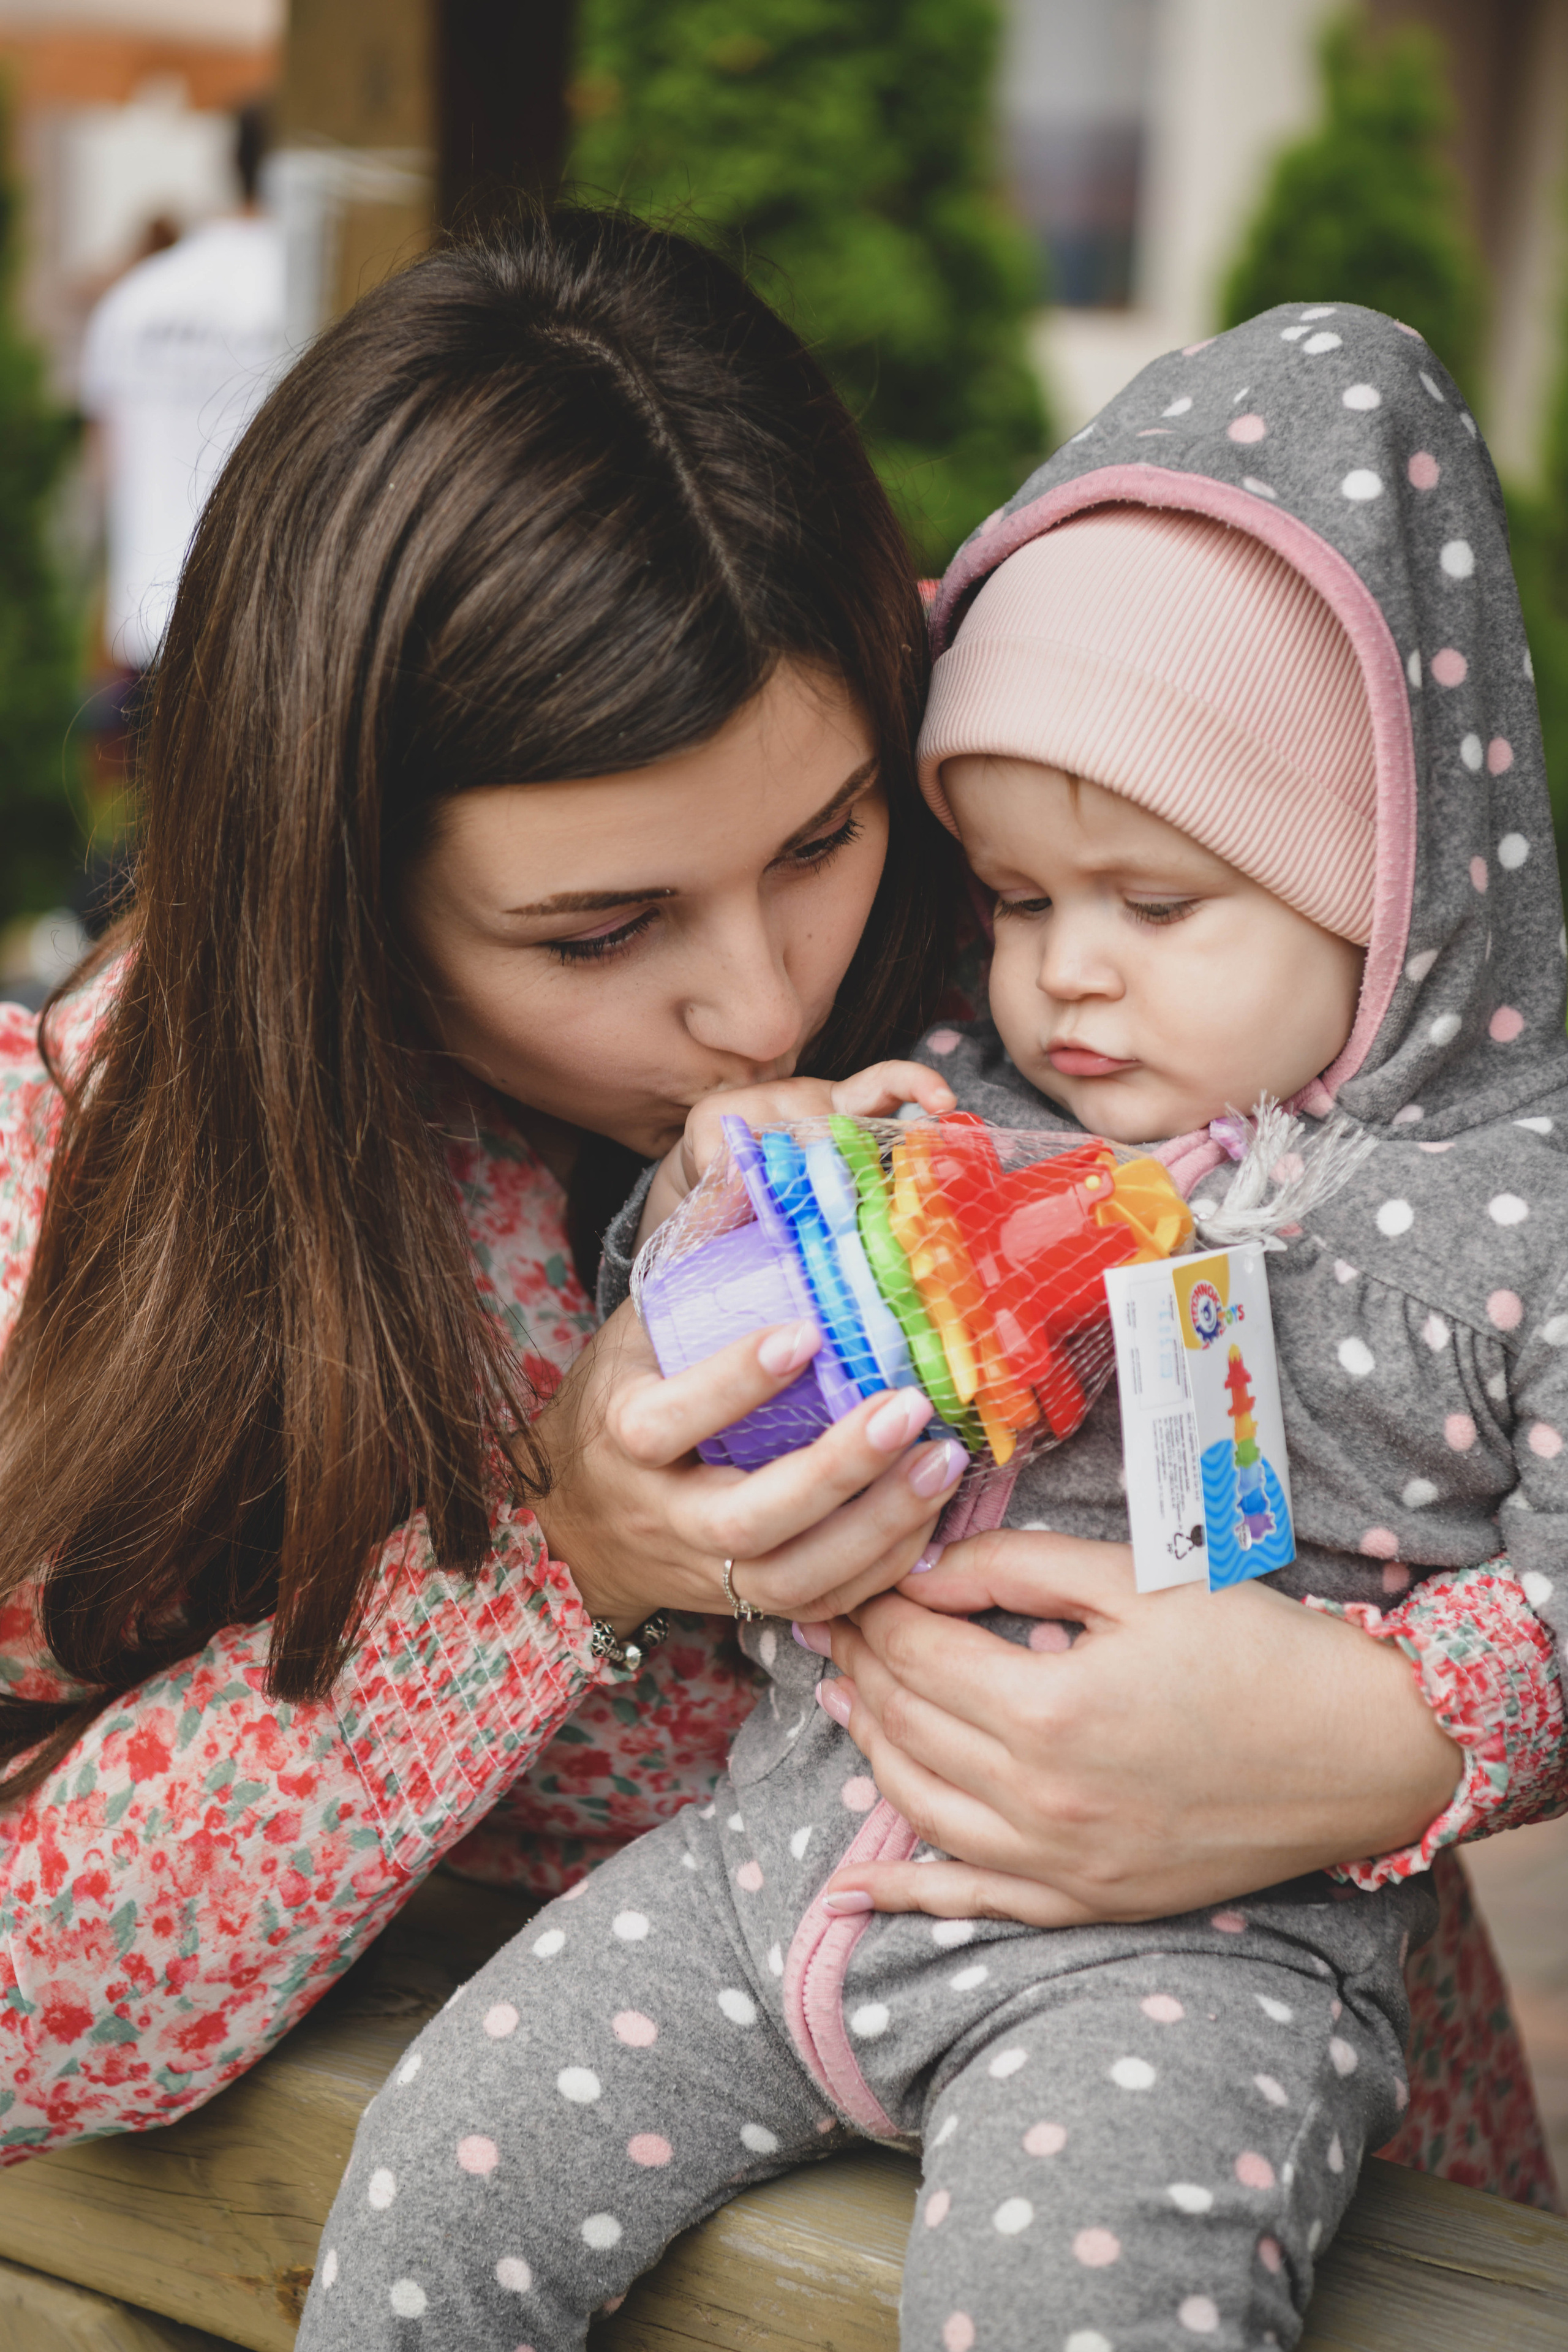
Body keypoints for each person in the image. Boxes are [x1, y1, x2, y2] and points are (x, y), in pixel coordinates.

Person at [0, 227, 1551, 2208]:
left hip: (1285, 2177)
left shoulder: (1080, 863)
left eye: (824, 838)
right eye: (600, 928)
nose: (760, 1003)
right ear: (332, 885)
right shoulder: (94, 1194)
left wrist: (1410, 1740)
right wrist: (558, 1573)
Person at [80, 102, 287, 673]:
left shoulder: (133, 300)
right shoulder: (305, 291)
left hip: (141, 627)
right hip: (264, 629)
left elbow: (101, 473)